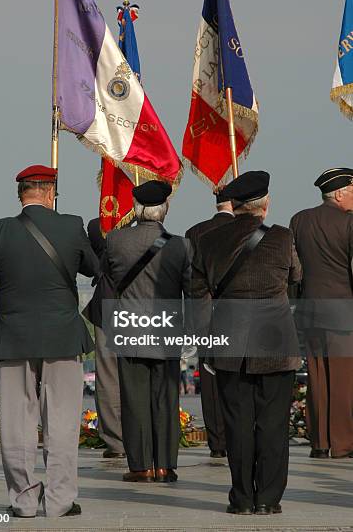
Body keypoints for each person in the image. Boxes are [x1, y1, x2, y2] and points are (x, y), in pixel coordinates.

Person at [0, 165, 100, 518]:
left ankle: (23, 501)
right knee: (62, 422)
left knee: (15, 425)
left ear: (21, 193)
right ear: (51, 193)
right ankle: (59, 500)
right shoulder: (72, 225)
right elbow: (96, 270)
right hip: (62, 337)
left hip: (12, 338)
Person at [192, 171, 301, 515]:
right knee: (273, 423)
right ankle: (268, 498)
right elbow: (297, 278)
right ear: (265, 205)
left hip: (229, 342)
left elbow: (198, 296)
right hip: (276, 342)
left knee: (237, 422)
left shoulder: (208, 241)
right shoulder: (283, 238)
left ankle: (241, 497)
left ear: (234, 205)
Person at [101, 180, 192, 483]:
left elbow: (108, 282)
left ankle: (140, 466)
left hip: (130, 331)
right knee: (166, 399)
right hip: (167, 332)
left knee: (134, 400)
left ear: (136, 209)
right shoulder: (181, 245)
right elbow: (190, 290)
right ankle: (165, 465)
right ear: (164, 209)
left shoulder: (115, 240)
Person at [290, 168, 353, 459]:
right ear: (340, 193)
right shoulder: (349, 222)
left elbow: (295, 270)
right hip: (343, 312)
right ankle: (343, 443)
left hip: (310, 311)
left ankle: (320, 441)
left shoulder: (300, 220)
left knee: (317, 378)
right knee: (343, 379)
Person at [185, 190, 234, 458]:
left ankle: (217, 442)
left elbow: (190, 279)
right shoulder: (248, 229)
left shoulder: (195, 232)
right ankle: (239, 435)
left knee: (211, 380)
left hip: (205, 316)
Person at [87, 217, 125, 459]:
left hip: (108, 306)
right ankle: (143, 438)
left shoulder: (96, 227)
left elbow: (92, 263)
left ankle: (116, 441)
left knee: (109, 377)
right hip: (146, 308)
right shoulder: (152, 228)